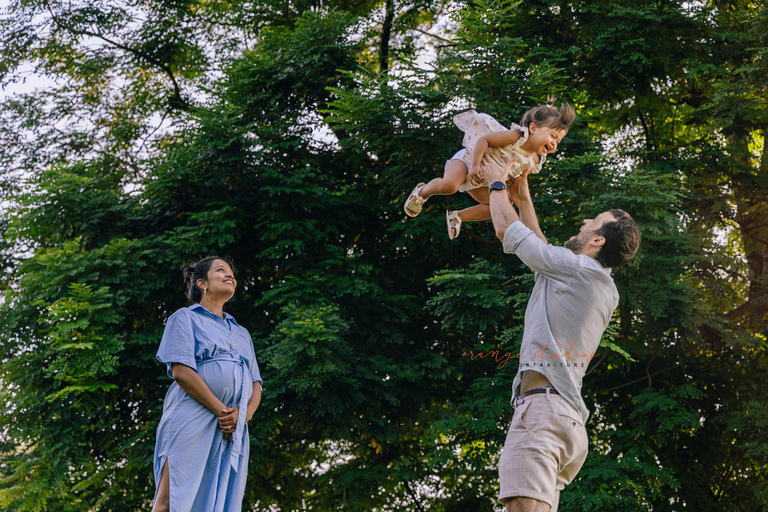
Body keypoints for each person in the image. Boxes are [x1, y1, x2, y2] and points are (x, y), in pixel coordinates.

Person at [480, 155, 640, 512]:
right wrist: (522, 198)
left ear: (597, 240)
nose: (584, 222)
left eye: (593, 222)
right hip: (561, 419)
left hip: (544, 413)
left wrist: (495, 183)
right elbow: (545, 255)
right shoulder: (595, 281)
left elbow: (508, 232)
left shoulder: (578, 271)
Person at [152, 256, 263, 512]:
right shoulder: (184, 319)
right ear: (201, 282)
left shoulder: (242, 332)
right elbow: (181, 371)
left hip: (233, 428)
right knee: (173, 499)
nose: (230, 275)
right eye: (221, 270)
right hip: (193, 415)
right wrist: (222, 411)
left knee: (220, 499)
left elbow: (256, 383)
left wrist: (241, 418)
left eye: (232, 273)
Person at [403, 98, 575, 240]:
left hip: (484, 179)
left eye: (558, 141)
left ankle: (457, 216)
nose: (554, 143)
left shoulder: (534, 161)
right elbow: (484, 140)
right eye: (552, 136)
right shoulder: (516, 137)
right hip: (469, 161)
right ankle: (423, 191)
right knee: (450, 186)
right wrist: (475, 165)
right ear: (533, 128)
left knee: (498, 205)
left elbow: (514, 180)